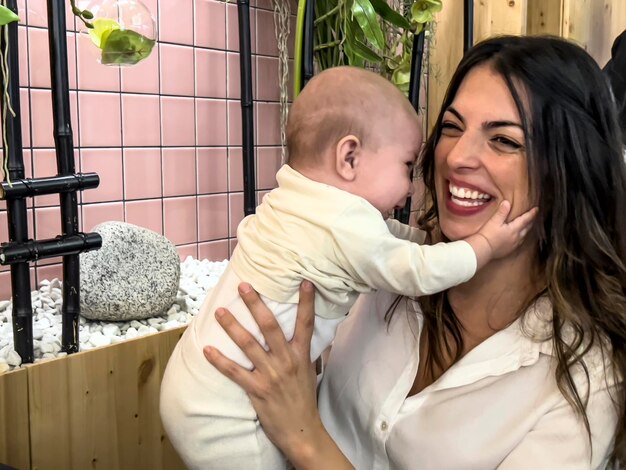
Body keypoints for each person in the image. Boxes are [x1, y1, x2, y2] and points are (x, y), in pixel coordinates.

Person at [205, 35, 626, 468]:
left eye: (504, 140)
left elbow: (301, 427)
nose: (457, 156)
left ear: (569, 171)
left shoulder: (585, 382)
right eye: (451, 127)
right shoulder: (383, 269)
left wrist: (305, 438)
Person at [160, 66, 536, 469]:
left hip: (195, 378)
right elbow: (418, 271)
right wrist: (483, 246)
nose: (412, 188)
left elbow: (384, 238)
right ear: (349, 157)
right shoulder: (343, 226)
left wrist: (426, 241)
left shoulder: (301, 201)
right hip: (225, 410)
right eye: (407, 167)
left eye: (503, 139)